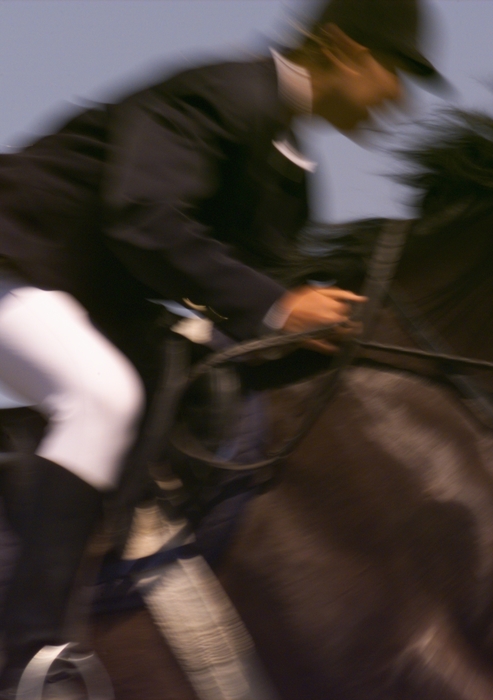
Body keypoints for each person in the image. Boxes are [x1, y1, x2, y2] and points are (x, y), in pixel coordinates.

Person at [0, 0, 441, 691]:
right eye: (397, 72)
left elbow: (264, 285)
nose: (399, 98)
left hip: (78, 291)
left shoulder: (289, 164)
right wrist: (276, 305)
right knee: (98, 396)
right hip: (15, 257)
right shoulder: (222, 91)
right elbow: (142, 215)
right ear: (344, 50)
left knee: (192, 383)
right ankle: (26, 655)